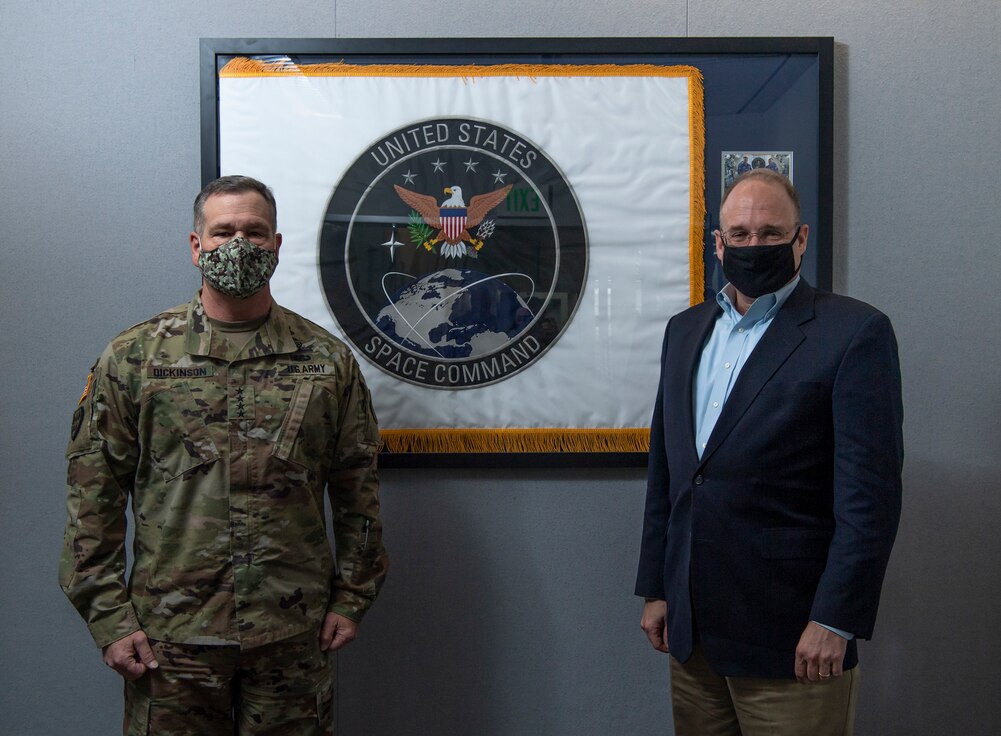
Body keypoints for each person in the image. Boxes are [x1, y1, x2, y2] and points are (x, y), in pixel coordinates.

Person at [59, 175, 388, 735]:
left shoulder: (327, 361)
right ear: (197, 246)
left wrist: (352, 597)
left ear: (276, 245)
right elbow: (93, 497)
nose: (239, 244)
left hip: (292, 631)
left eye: (255, 232)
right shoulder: (134, 357)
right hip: (172, 636)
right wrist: (109, 617)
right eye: (223, 231)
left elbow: (359, 490)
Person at [635, 169, 902, 735]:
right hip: (693, 638)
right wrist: (657, 587)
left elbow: (870, 501)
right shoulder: (684, 331)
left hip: (794, 641)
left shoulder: (854, 333)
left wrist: (836, 619)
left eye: (770, 234)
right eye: (740, 234)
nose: (753, 245)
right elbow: (669, 473)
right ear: (719, 243)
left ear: (800, 239)